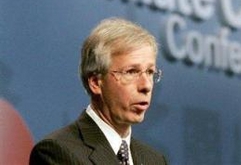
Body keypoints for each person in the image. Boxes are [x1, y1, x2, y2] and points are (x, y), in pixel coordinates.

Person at [30, 17, 168, 165]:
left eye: (150, 72)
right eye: (131, 72)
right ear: (96, 83)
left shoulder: (155, 160)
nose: (146, 85)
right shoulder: (57, 152)